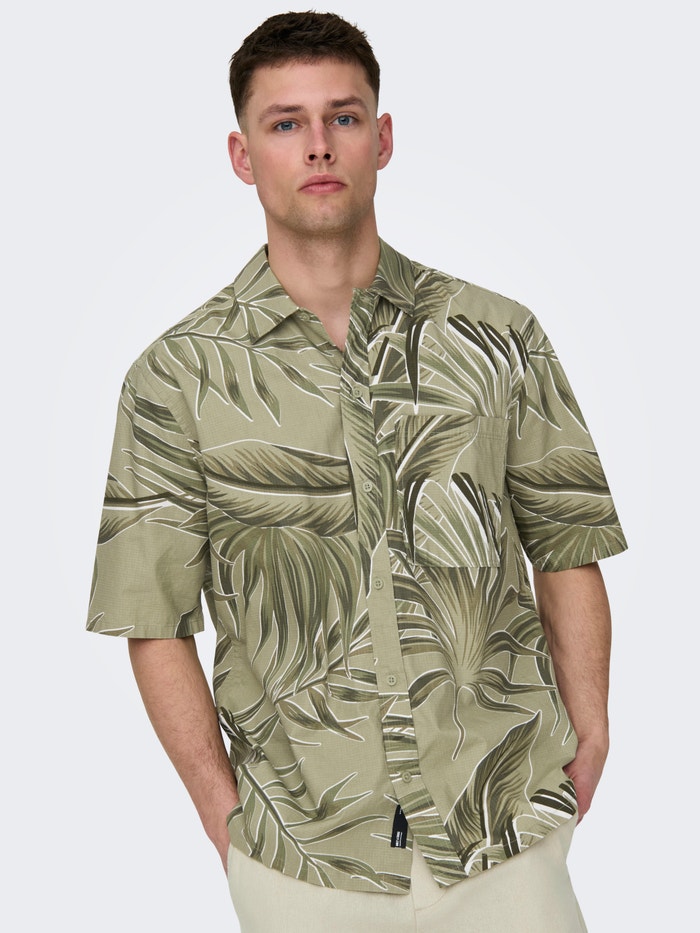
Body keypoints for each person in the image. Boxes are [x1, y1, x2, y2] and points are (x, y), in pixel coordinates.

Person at [87, 11, 627, 932]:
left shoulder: (498, 336)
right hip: (303, 858)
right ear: (242, 154)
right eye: (285, 122)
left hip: (505, 833)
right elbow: (152, 618)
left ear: (382, 138)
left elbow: (567, 541)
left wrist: (590, 727)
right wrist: (224, 815)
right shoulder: (176, 378)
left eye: (342, 116)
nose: (319, 145)